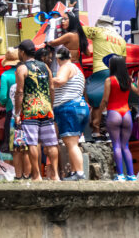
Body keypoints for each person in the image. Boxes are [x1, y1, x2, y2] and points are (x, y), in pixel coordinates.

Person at [14, 40, 58, 181]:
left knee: (32, 143)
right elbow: (51, 88)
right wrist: (50, 106)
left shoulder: (22, 69)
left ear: (22, 52)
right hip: (46, 109)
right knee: (51, 143)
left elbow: (19, 92)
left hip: (30, 110)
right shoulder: (45, 67)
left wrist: (17, 112)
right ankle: (55, 175)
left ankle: (37, 175)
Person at [95, 54, 139, 181]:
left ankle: (120, 175)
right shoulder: (128, 80)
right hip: (126, 114)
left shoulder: (109, 80)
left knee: (116, 146)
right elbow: (138, 92)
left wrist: (97, 116)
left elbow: (104, 100)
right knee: (125, 146)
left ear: (113, 66)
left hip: (113, 113)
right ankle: (131, 175)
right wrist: (134, 80)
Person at [50, 45, 88, 181]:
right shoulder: (77, 69)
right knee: (73, 142)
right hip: (79, 106)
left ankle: (79, 173)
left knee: (71, 143)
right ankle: (74, 172)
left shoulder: (65, 67)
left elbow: (60, 81)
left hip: (69, 107)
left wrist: (45, 79)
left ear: (57, 59)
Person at [82, 15, 126, 109]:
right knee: (110, 100)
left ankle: (95, 120)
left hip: (101, 70)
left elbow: (79, 29)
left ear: (100, 23)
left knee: (93, 97)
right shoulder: (121, 39)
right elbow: (123, 60)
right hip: (116, 74)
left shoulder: (98, 31)